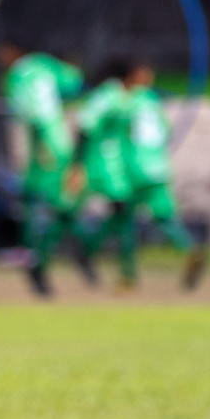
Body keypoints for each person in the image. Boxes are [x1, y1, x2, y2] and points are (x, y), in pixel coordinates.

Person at [0, 40, 95, 296]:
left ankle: (40, 264)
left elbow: (34, 113)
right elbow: (76, 83)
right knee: (57, 208)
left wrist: (42, 147)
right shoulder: (46, 66)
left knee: (48, 207)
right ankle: (79, 259)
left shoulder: (18, 74)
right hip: (54, 143)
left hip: (45, 148)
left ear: (13, 50)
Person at [122, 57, 208, 290]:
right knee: (166, 218)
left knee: (124, 220)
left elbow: (119, 134)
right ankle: (189, 249)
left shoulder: (126, 101)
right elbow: (167, 133)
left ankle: (128, 274)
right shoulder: (153, 102)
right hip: (159, 167)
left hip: (135, 168)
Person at [76, 61, 140, 291]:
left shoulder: (128, 98)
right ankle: (85, 253)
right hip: (99, 165)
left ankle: (124, 270)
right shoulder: (106, 97)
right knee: (66, 212)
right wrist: (77, 166)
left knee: (123, 214)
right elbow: (84, 127)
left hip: (118, 167)